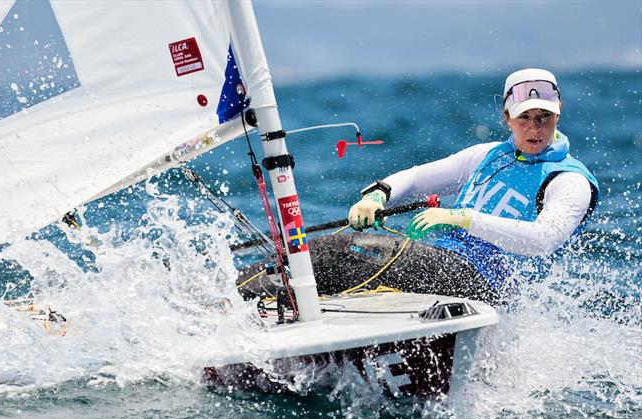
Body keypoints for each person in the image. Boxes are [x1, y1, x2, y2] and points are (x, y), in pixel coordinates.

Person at [236, 68, 598, 305]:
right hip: (445, 269)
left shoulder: (569, 179)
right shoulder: (486, 155)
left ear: (558, 113)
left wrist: (462, 217)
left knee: (344, 250)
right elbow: (415, 177)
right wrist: (378, 194)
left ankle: (229, 301)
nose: (535, 128)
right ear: (507, 117)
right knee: (328, 266)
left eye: (544, 117)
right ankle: (241, 306)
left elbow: (544, 239)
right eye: (525, 118)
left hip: (488, 284)